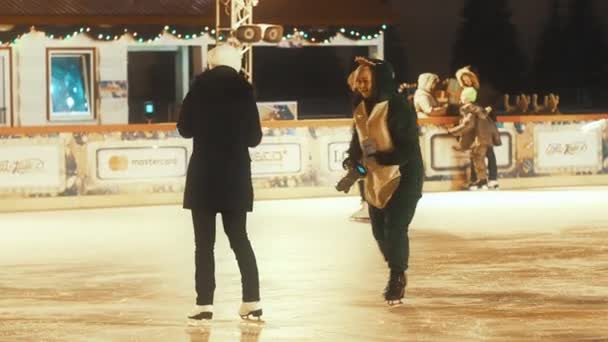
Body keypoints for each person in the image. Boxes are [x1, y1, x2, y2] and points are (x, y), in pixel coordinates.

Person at [177, 43, 263, 323]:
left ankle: (204, 304)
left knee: (204, 244)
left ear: (211, 64)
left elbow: (184, 129)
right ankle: (252, 300)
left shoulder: (198, 90)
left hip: (204, 175)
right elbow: (254, 138)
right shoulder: (244, 92)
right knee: (240, 239)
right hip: (235, 175)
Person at [337, 57, 424, 305]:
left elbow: (407, 148)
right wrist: (353, 163)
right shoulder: (361, 107)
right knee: (378, 231)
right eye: (358, 81)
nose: (361, 85)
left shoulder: (398, 107)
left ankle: (397, 277)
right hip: (376, 178)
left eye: (365, 80)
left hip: (404, 177)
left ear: (379, 80)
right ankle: (396, 264)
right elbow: (359, 140)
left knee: (395, 228)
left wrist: (380, 159)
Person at [448, 87, 501, 190]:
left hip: (478, 139)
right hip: (484, 138)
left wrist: (453, 131)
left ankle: (481, 182)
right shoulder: (479, 109)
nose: (461, 98)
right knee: (479, 160)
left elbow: (467, 125)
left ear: (467, 98)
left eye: (462, 96)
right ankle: (482, 182)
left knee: (478, 160)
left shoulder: (469, 110)